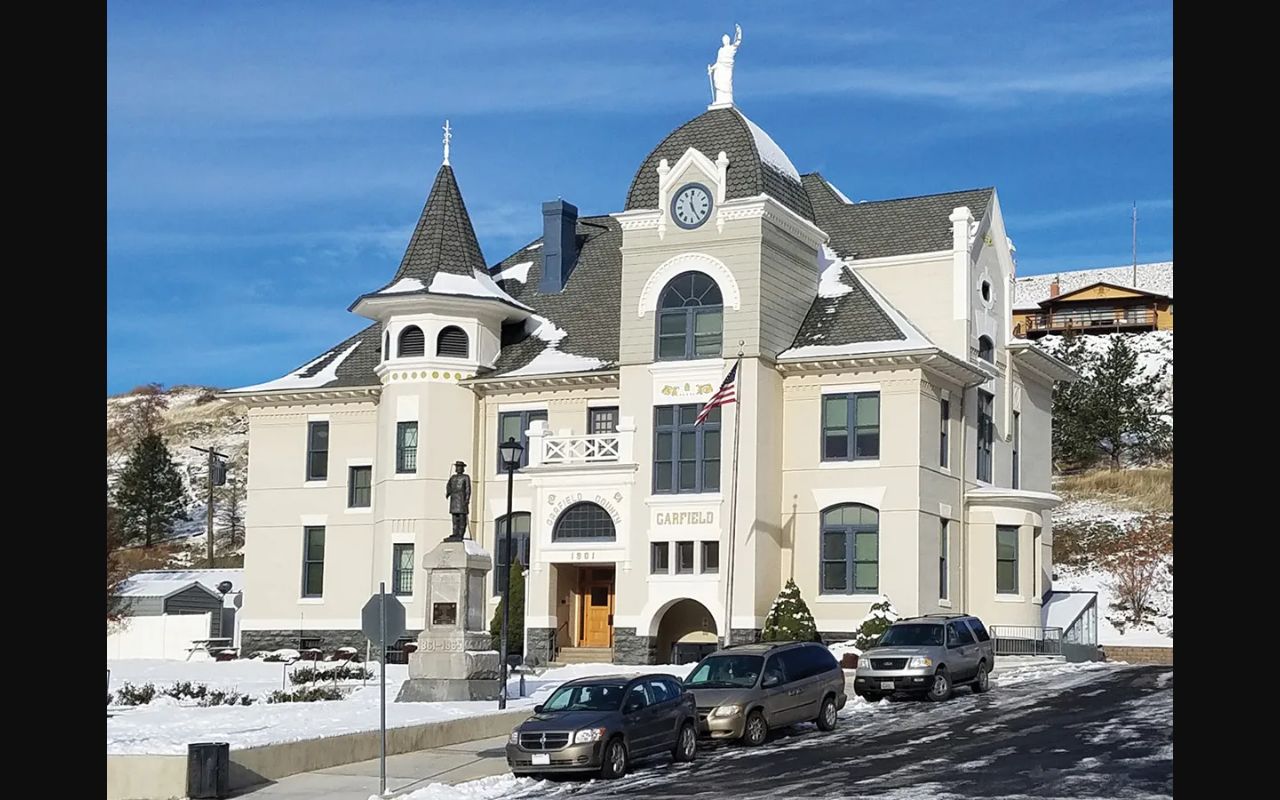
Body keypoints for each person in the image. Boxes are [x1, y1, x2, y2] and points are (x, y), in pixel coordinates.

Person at [445, 461, 471, 540]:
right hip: (454, 499)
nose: (458, 468)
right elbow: (448, 485)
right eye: (457, 467)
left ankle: (460, 533)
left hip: (461, 499)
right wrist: (448, 492)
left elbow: (468, 489)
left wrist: (467, 499)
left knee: (462, 517)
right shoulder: (453, 477)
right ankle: (455, 533)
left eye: (460, 467)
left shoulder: (466, 477)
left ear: (463, 468)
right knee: (455, 518)